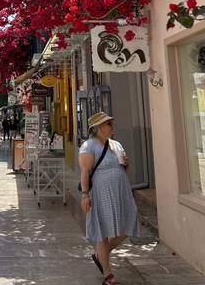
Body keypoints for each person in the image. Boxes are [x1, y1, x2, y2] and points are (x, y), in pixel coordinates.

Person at [78, 112, 139, 285]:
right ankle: (108, 275)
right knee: (103, 232)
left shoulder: (116, 144)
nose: (112, 126)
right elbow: (85, 172)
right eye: (108, 124)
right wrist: (85, 195)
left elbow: (124, 169)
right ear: (98, 128)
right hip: (101, 192)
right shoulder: (88, 146)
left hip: (121, 191)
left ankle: (100, 254)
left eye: (111, 123)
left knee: (127, 225)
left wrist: (126, 163)